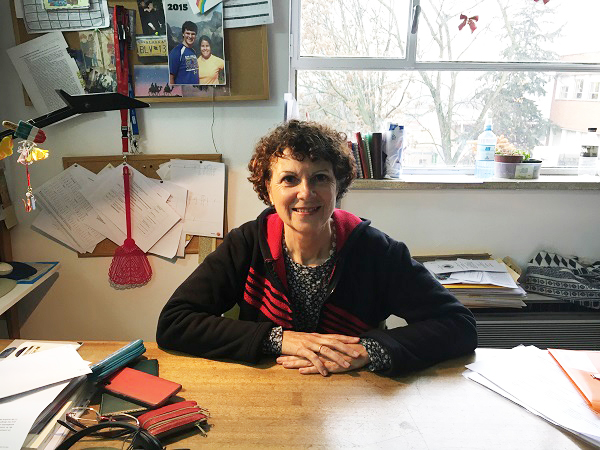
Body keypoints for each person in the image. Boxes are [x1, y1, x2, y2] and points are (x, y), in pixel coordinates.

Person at [156, 120, 477, 377]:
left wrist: (370, 351)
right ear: (267, 188)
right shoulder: (247, 243)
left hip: (356, 397)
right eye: (289, 179)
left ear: (339, 186)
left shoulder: (377, 250)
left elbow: (459, 325)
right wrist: (279, 339)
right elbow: (175, 322)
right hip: (265, 391)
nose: (305, 192)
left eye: (320, 178)